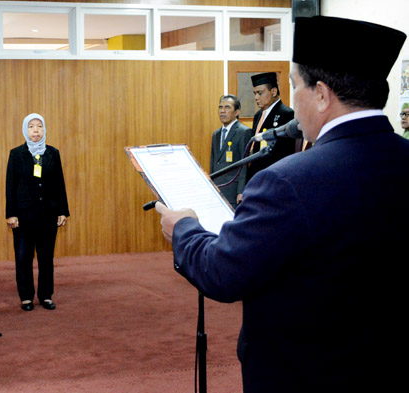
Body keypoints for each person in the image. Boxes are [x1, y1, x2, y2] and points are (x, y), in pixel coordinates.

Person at [155, 16, 407, 393]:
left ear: (321, 95)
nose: (293, 100)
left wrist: (185, 229)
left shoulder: (288, 181)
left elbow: (223, 272)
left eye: (294, 86)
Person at [6, 113, 69, 311]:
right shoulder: (16, 154)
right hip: (23, 216)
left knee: (46, 257)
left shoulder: (53, 153)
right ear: (25, 130)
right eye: (31, 126)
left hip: (48, 214)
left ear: (44, 130)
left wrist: (62, 210)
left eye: (39, 126)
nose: (35, 130)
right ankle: (26, 296)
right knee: (23, 257)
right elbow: (10, 185)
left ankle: (45, 295)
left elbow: (60, 183)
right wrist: (11, 213)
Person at [241, 72, 296, 202]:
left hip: (272, 178)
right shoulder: (258, 115)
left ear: (273, 91)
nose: (256, 97)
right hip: (255, 175)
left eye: (260, 93)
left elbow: (285, 152)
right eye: (254, 93)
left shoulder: (286, 114)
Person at [209, 95, 253, 208]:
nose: (222, 111)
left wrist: (241, 191)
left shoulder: (244, 132)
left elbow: (244, 164)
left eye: (227, 107)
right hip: (217, 189)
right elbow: (213, 163)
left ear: (237, 112)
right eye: (220, 107)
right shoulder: (216, 134)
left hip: (233, 190)